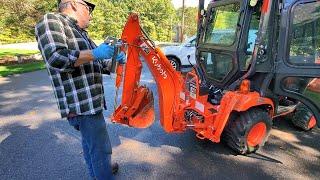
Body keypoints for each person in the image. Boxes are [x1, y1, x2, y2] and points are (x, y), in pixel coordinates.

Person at [35, 0, 125, 179]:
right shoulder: (51, 20)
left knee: (92, 146)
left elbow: (100, 64)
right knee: (101, 150)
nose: (91, 13)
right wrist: (96, 53)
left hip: (91, 103)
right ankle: (103, 171)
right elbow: (55, 57)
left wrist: (115, 58)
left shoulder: (81, 33)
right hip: (82, 105)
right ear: (75, 4)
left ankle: (99, 171)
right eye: (89, 7)